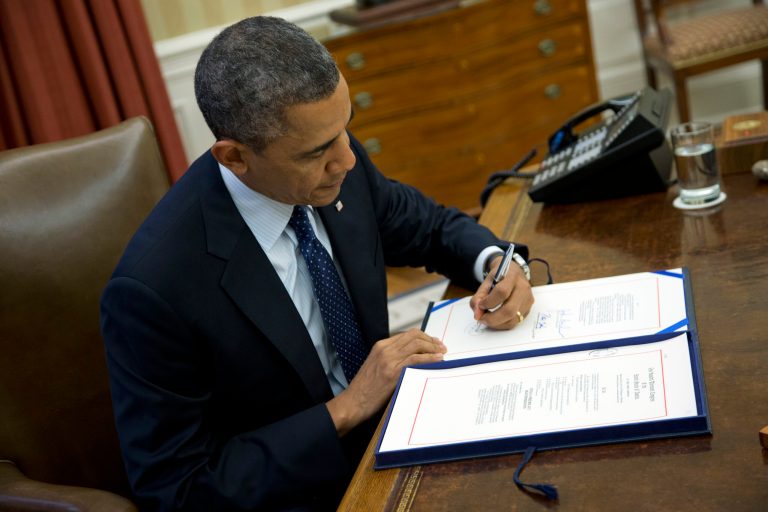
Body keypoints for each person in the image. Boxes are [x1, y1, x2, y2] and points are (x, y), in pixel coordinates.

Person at [100, 16, 534, 512]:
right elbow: (179, 490)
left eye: (345, 130)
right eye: (318, 151)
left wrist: (496, 262)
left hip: (403, 428)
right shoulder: (154, 289)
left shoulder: (334, 160)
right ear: (234, 157)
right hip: (303, 490)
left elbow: (428, 227)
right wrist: (346, 408)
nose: (347, 159)